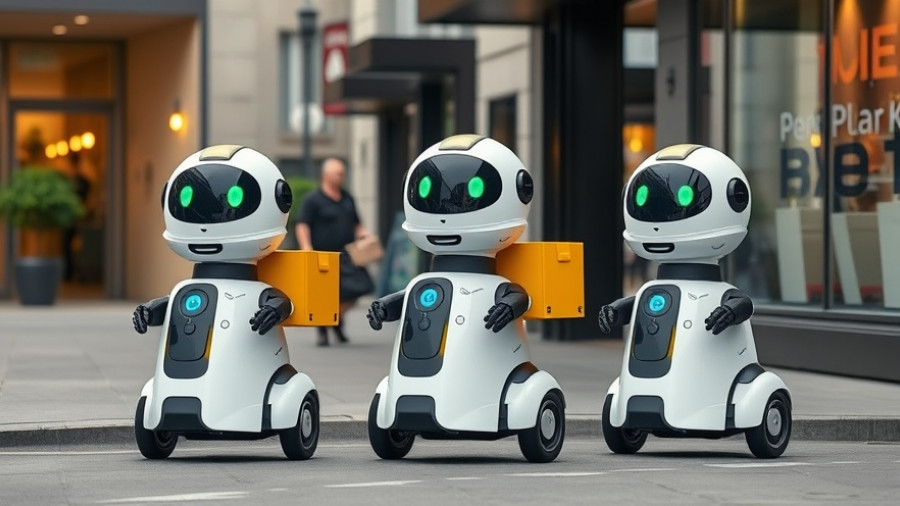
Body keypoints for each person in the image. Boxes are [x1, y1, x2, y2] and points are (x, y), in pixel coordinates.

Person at [296, 158, 373, 346]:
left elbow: (357, 222)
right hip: (323, 256)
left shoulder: (347, 198)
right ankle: (324, 329)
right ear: (325, 175)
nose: (341, 176)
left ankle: (334, 318)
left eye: (342, 173)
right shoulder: (313, 200)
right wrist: (306, 247)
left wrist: (364, 235)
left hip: (347, 255)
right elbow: (302, 224)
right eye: (337, 173)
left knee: (362, 286)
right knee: (323, 294)